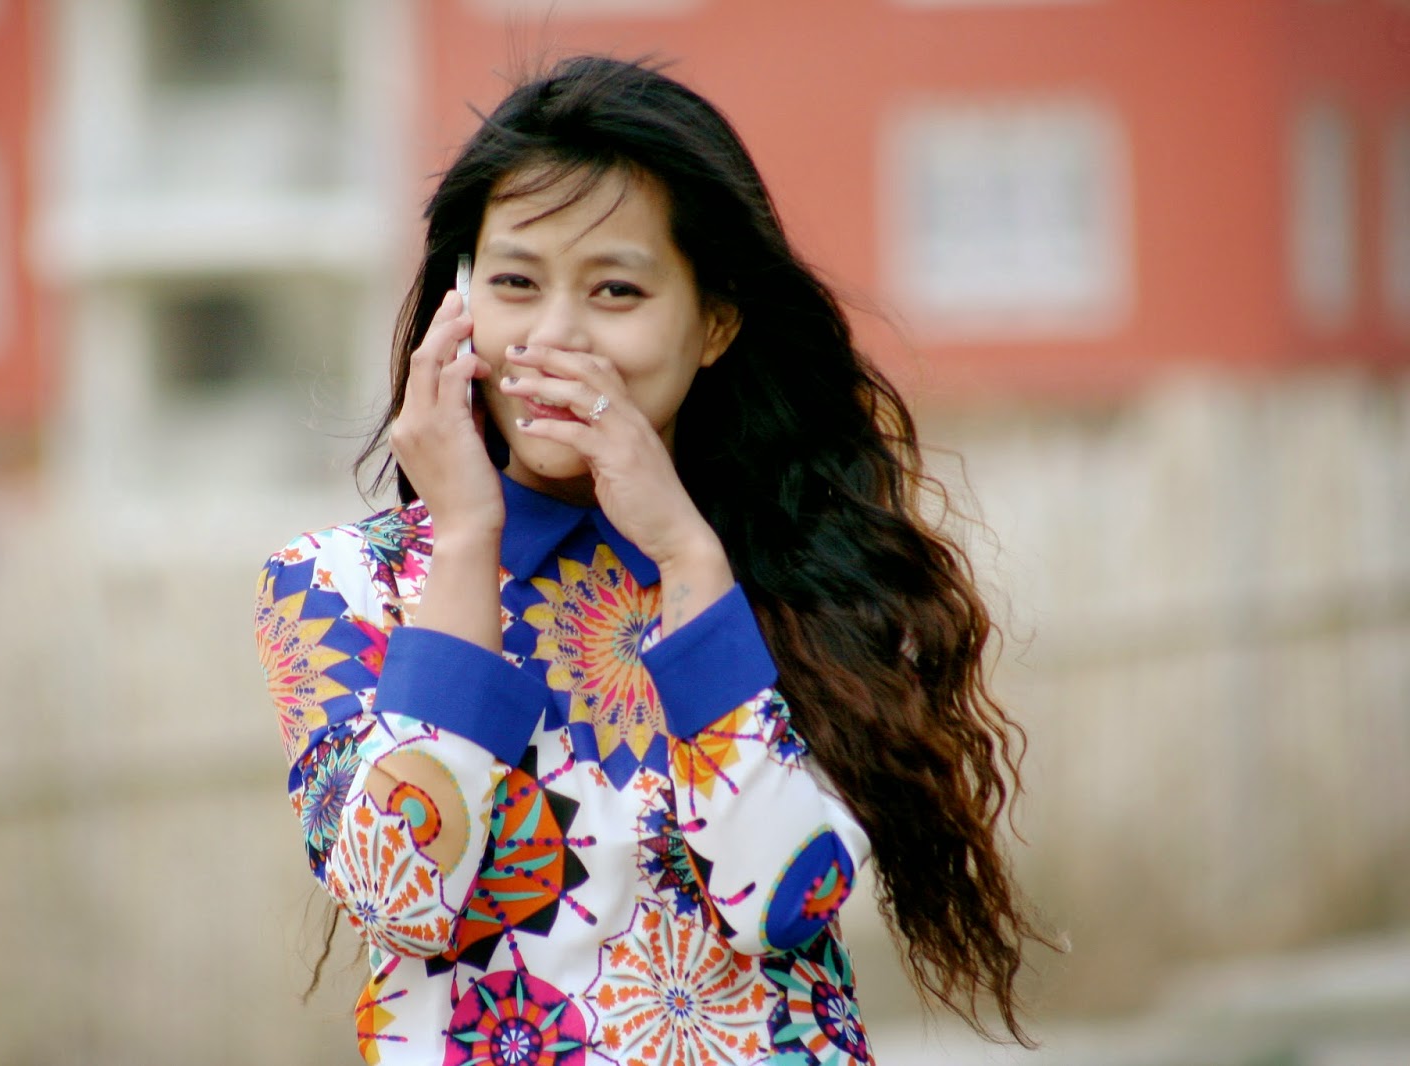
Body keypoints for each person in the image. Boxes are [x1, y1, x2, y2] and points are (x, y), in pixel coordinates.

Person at [255, 55, 1048, 1065]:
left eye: (616, 290)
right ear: (459, 302)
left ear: (714, 322)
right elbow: (400, 898)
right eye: (514, 283)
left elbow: (783, 903)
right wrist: (464, 543)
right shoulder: (334, 587)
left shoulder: (800, 573)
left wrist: (684, 555)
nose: (553, 337)